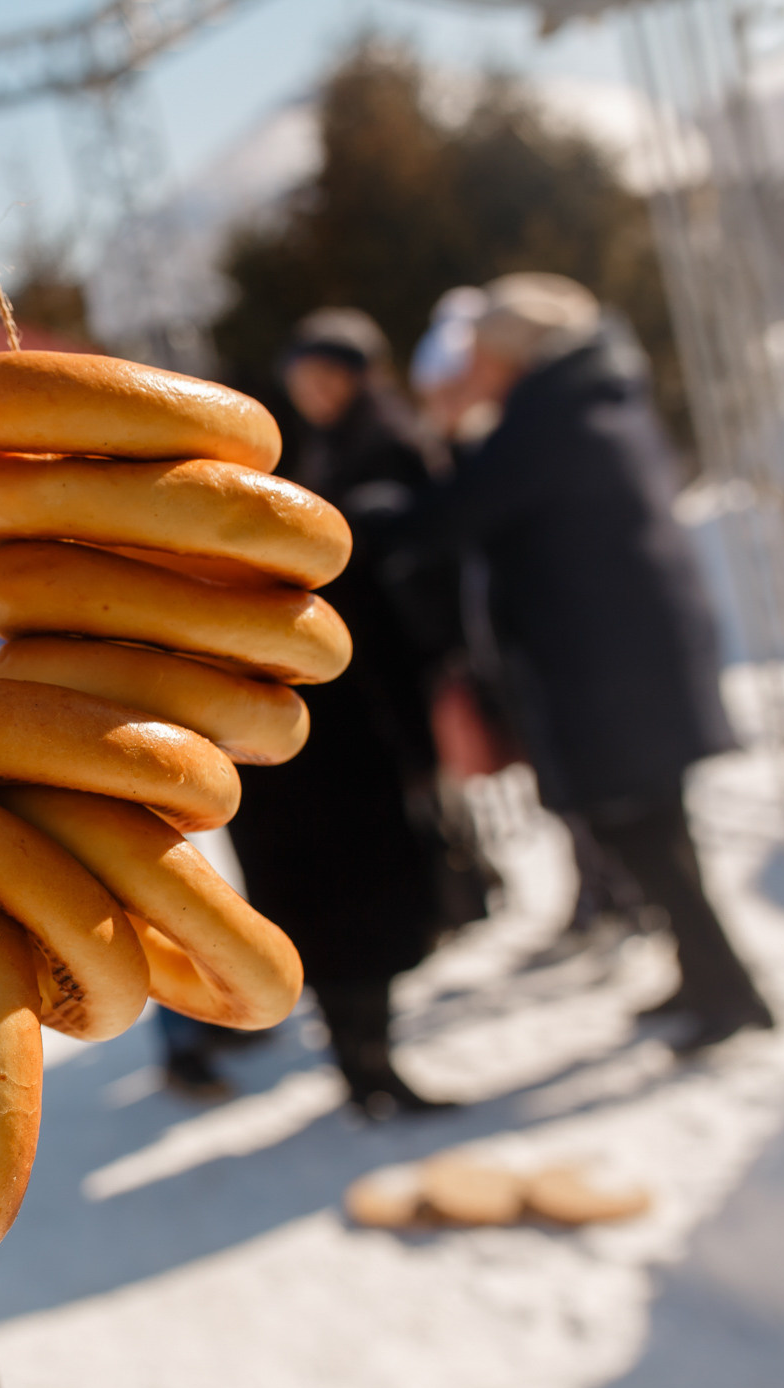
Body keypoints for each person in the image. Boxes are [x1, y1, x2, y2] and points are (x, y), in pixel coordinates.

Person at [411, 273, 773, 1053]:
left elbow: (455, 515)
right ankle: (712, 978)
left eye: (481, 357)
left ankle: (732, 991)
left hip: (604, 666)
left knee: (649, 840)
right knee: (659, 838)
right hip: (630, 656)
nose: (473, 372)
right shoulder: (594, 398)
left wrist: (438, 444)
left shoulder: (546, 420)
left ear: (512, 355)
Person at [201, 309, 461, 1118]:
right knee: (350, 907)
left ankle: (364, 1061)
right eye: (301, 375)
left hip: (332, 733)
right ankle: (363, 1063)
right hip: (323, 736)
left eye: (325, 372)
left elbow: (403, 605)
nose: (311, 389)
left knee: (348, 907)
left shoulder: (375, 454)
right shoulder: (320, 471)